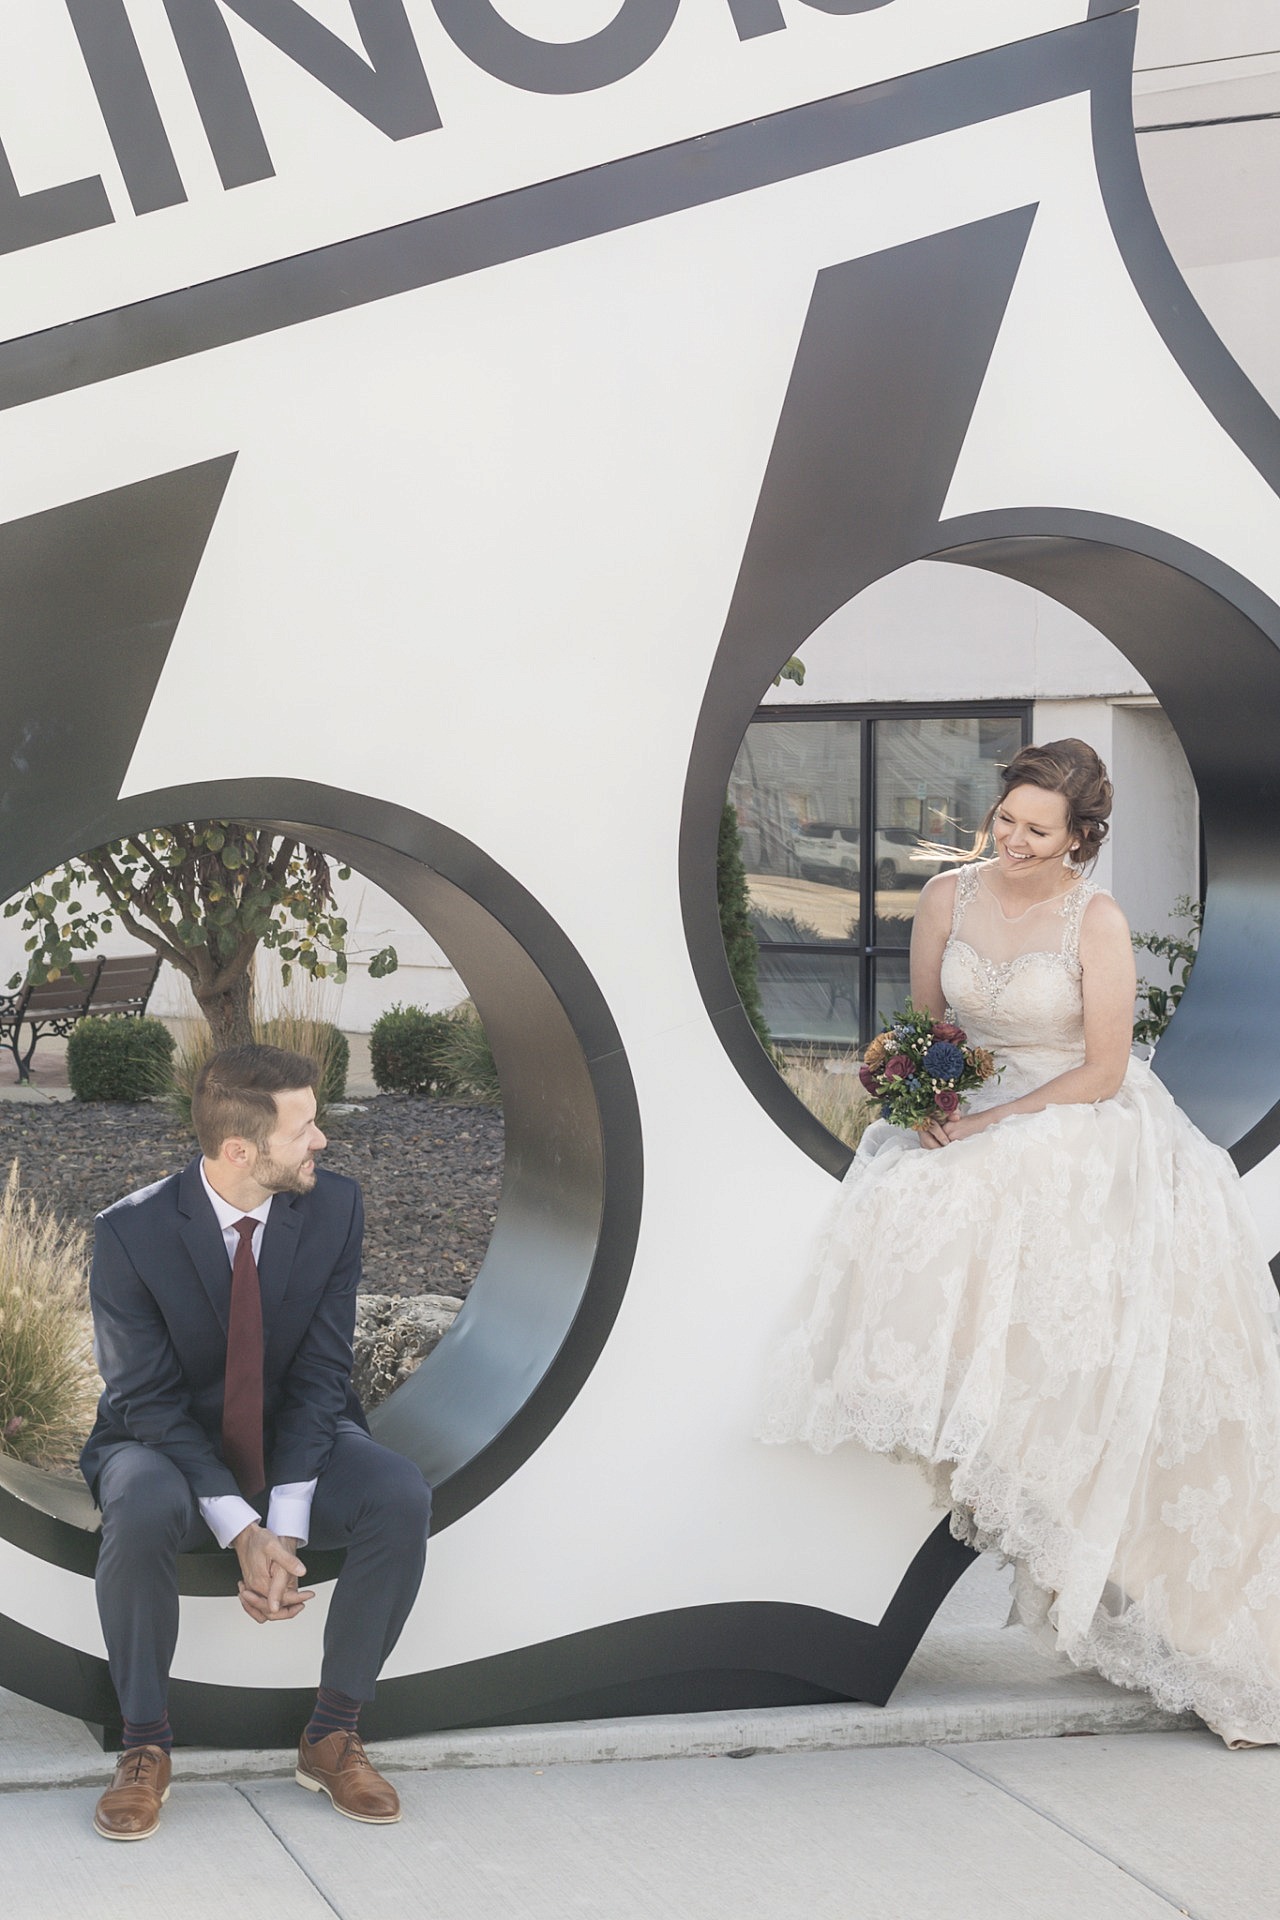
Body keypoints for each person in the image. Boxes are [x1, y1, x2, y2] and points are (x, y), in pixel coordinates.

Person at [759, 739, 1280, 1748]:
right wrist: (921, 1098)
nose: (1014, 840)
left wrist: (994, 1124)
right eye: (1005, 820)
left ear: (1080, 836)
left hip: (1078, 1116)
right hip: (973, 1105)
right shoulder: (944, 898)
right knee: (906, 1207)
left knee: (1020, 1238)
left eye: (1038, 830)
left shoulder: (1096, 918)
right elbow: (923, 1028)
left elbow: (1102, 1069)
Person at [81, 1043, 432, 1839]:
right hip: (162, 1445)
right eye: (303, 1128)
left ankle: (333, 1734)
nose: (321, 1141)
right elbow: (146, 1399)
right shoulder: (131, 1232)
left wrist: (287, 1526)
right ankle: (144, 1745)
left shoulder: (334, 1207)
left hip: (293, 1436)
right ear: (240, 1150)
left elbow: (323, 1371)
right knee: (139, 1502)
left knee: (397, 1493)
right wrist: (243, 1529)